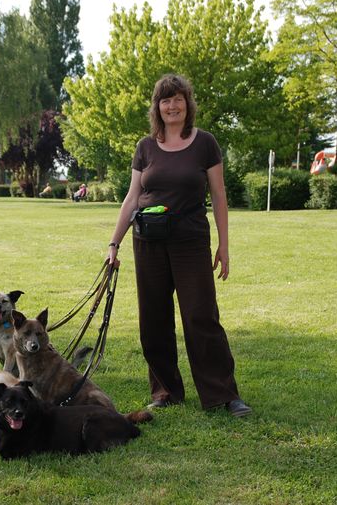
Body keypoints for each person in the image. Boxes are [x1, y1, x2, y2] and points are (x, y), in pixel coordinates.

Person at [106, 73, 252, 417]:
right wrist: (114, 242)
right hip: (148, 243)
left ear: (188, 104)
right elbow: (132, 198)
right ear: (157, 107)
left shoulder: (205, 144)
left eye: (178, 99)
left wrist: (224, 245)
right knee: (153, 319)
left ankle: (223, 394)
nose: (172, 106)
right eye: (165, 100)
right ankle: (165, 391)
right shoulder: (145, 146)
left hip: (190, 242)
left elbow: (218, 195)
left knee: (201, 316)